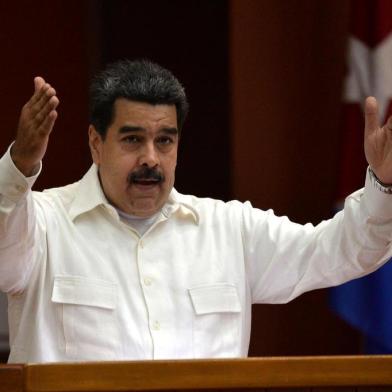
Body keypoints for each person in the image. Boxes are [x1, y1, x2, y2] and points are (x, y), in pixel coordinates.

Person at [1, 59, 392, 363]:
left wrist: (383, 184)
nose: (150, 158)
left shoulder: (228, 230)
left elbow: (340, 251)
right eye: (132, 139)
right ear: (96, 143)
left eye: (165, 140)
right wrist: (18, 165)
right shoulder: (44, 225)